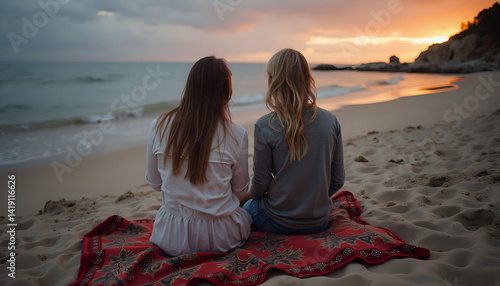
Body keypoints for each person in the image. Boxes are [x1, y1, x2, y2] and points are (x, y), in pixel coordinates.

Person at [146, 56, 252, 256]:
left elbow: (155, 183)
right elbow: (240, 190)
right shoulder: (237, 135)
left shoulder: (158, 126)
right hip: (221, 237)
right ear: (227, 94)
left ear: (190, 87)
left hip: (171, 237)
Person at [242, 48, 345, 235]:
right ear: (307, 79)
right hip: (318, 221)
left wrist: (243, 199)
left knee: (245, 208)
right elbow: (338, 180)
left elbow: (260, 185)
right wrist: (312, 200)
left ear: (272, 82)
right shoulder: (331, 121)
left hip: (276, 219)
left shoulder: (265, 125)